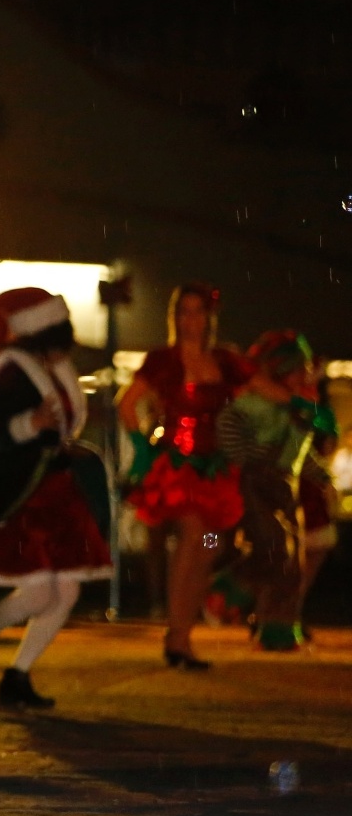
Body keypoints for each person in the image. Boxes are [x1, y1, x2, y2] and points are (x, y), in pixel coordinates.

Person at [0, 289, 112, 710]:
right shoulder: (13, 370)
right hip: (26, 491)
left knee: (64, 591)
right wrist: (31, 423)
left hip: (56, 489)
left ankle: (14, 672)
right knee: (41, 590)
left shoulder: (53, 366)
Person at [117, 283, 252, 669]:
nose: (190, 320)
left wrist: (296, 402)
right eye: (183, 312)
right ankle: (176, 636)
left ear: (209, 318)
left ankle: (183, 634)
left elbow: (253, 394)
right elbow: (127, 403)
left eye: (197, 312)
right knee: (192, 535)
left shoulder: (224, 362)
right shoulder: (165, 360)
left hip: (215, 472)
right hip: (177, 469)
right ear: (174, 318)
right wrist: (144, 447)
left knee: (211, 545)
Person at [216, 331, 322, 653]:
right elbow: (228, 423)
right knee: (274, 550)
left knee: (291, 564)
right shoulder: (258, 403)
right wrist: (247, 458)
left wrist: (322, 476)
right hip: (258, 484)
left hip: (285, 488)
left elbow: (301, 452)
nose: (302, 375)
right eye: (297, 368)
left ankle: (278, 629)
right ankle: (227, 591)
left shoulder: (296, 407)